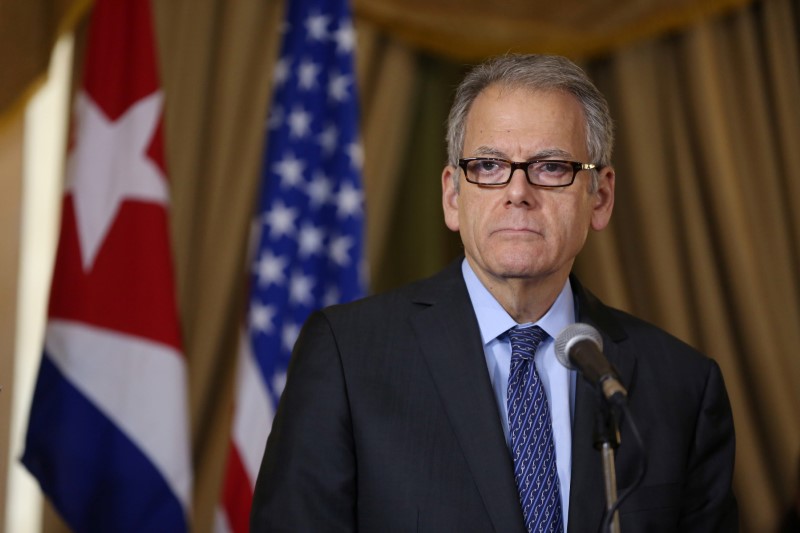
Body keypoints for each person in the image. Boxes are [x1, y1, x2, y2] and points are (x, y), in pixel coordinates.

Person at [250, 54, 738, 532]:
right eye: (487, 165)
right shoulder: (347, 356)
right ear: (452, 196)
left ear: (601, 197)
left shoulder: (683, 387)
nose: (517, 191)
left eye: (550, 166)